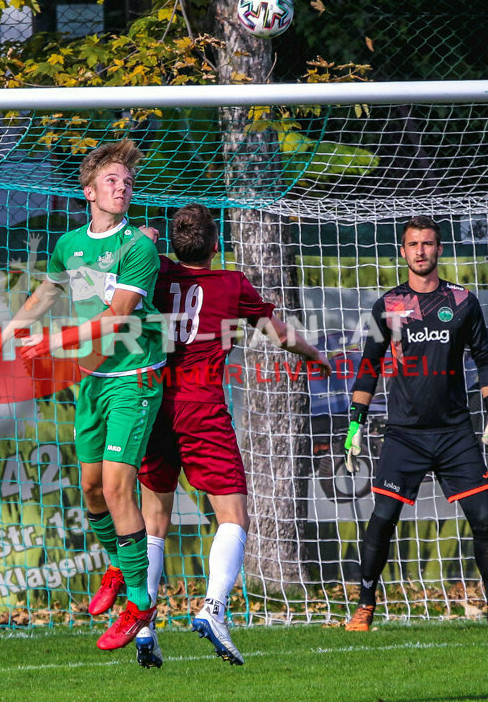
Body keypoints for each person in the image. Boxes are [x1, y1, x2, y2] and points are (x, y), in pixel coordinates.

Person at [0, 139, 166, 651]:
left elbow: (117, 316)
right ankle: (120, 568)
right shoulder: (70, 244)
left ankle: (141, 604)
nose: (122, 188)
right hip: (93, 381)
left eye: (127, 182)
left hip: (134, 380)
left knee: (119, 488)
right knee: (91, 490)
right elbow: (46, 294)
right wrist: (3, 337)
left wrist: (52, 343)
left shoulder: (138, 248)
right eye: (111, 181)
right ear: (89, 192)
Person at [133, 203, 332, 668]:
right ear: (216, 244)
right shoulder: (231, 284)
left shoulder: (155, 272)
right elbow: (278, 334)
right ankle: (215, 608)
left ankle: (143, 623)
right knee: (234, 515)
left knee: (152, 521)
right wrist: (315, 355)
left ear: (175, 244)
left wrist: (146, 239)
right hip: (202, 408)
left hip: (155, 404)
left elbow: (132, 251)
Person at [343, 215, 488, 634]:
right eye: (413, 244)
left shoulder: (462, 301)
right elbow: (369, 365)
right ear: (402, 251)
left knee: (482, 519)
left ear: (439, 249)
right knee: (382, 518)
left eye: (427, 243)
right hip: (404, 434)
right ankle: (365, 606)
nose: (420, 251)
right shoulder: (387, 306)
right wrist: (355, 423)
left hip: (455, 432)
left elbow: (485, 358)